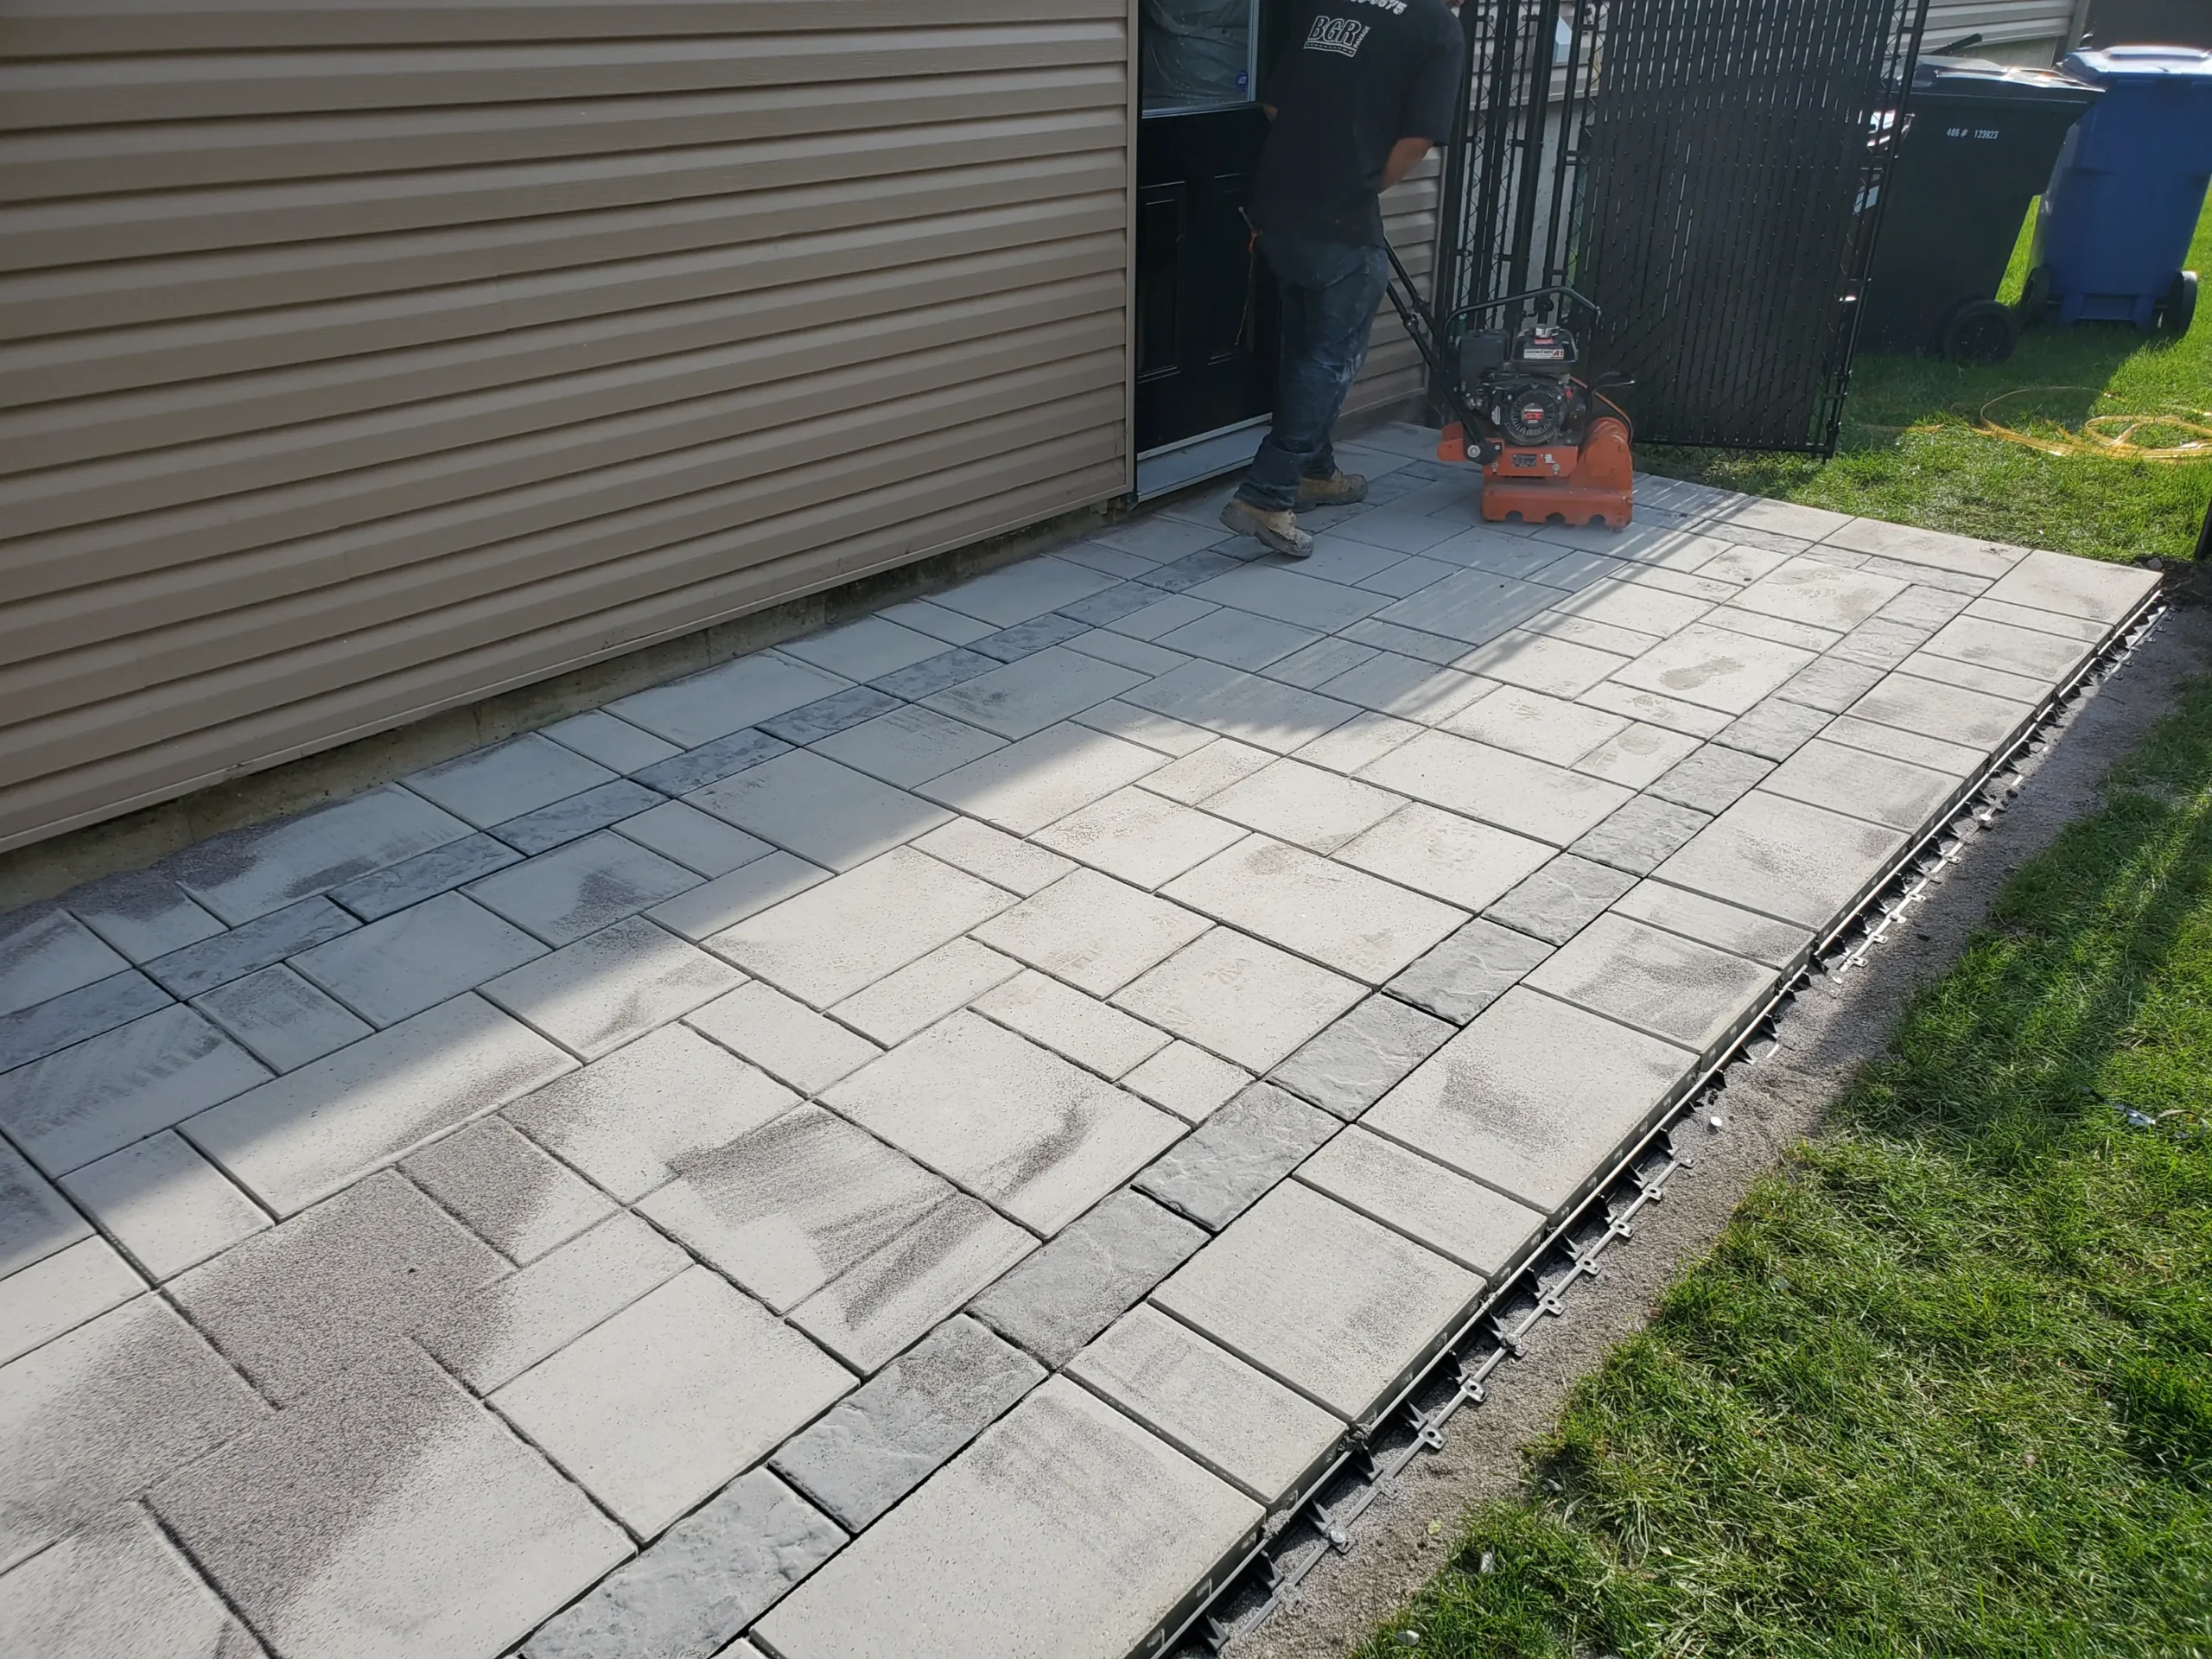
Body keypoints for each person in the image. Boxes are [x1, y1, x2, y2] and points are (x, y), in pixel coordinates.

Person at [1222, 0, 1465, 558]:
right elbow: (1416, 141)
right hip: (1339, 222)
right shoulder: (1437, 27)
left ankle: (1315, 473)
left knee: (1305, 347)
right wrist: (1356, 186)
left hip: (1277, 208)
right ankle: (1266, 495)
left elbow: (1274, 104)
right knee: (1331, 361)